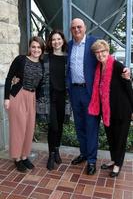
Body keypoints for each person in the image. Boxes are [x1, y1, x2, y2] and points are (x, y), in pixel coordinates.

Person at [66, 18, 130, 175]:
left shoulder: (93, 42)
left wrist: (126, 71)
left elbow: (107, 58)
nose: (76, 30)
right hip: (75, 91)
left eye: (79, 27)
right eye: (73, 27)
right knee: (79, 126)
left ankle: (92, 160)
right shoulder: (68, 45)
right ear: (71, 30)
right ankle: (84, 153)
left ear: (85, 28)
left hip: (90, 93)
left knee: (91, 127)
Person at [88, 39, 133, 177]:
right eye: (97, 52)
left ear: (108, 51)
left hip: (122, 109)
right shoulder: (99, 68)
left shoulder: (117, 66)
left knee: (120, 139)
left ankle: (118, 165)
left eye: (103, 51)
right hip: (107, 110)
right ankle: (114, 160)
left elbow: (128, 86)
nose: (100, 54)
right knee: (111, 137)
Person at [4, 36, 45, 172]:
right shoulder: (21, 59)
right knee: (18, 128)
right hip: (18, 95)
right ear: (29, 48)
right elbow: (9, 77)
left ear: (42, 49)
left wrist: (40, 101)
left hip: (32, 97)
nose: (36, 49)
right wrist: (6, 98)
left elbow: (40, 86)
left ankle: (24, 156)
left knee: (29, 128)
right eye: (33, 46)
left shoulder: (42, 64)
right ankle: (16, 158)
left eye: (38, 47)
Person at [36, 30, 69, 170]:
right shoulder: (45, 58)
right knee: (53, 126)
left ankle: (56, 150)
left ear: (62, 40)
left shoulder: (68, 58)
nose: (56, 41)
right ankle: (51, 154)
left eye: (59, 39)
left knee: (60, 126)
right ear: (50, 42)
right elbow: (33, 69)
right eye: (53, 39)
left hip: (64, 97)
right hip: (50, 97)